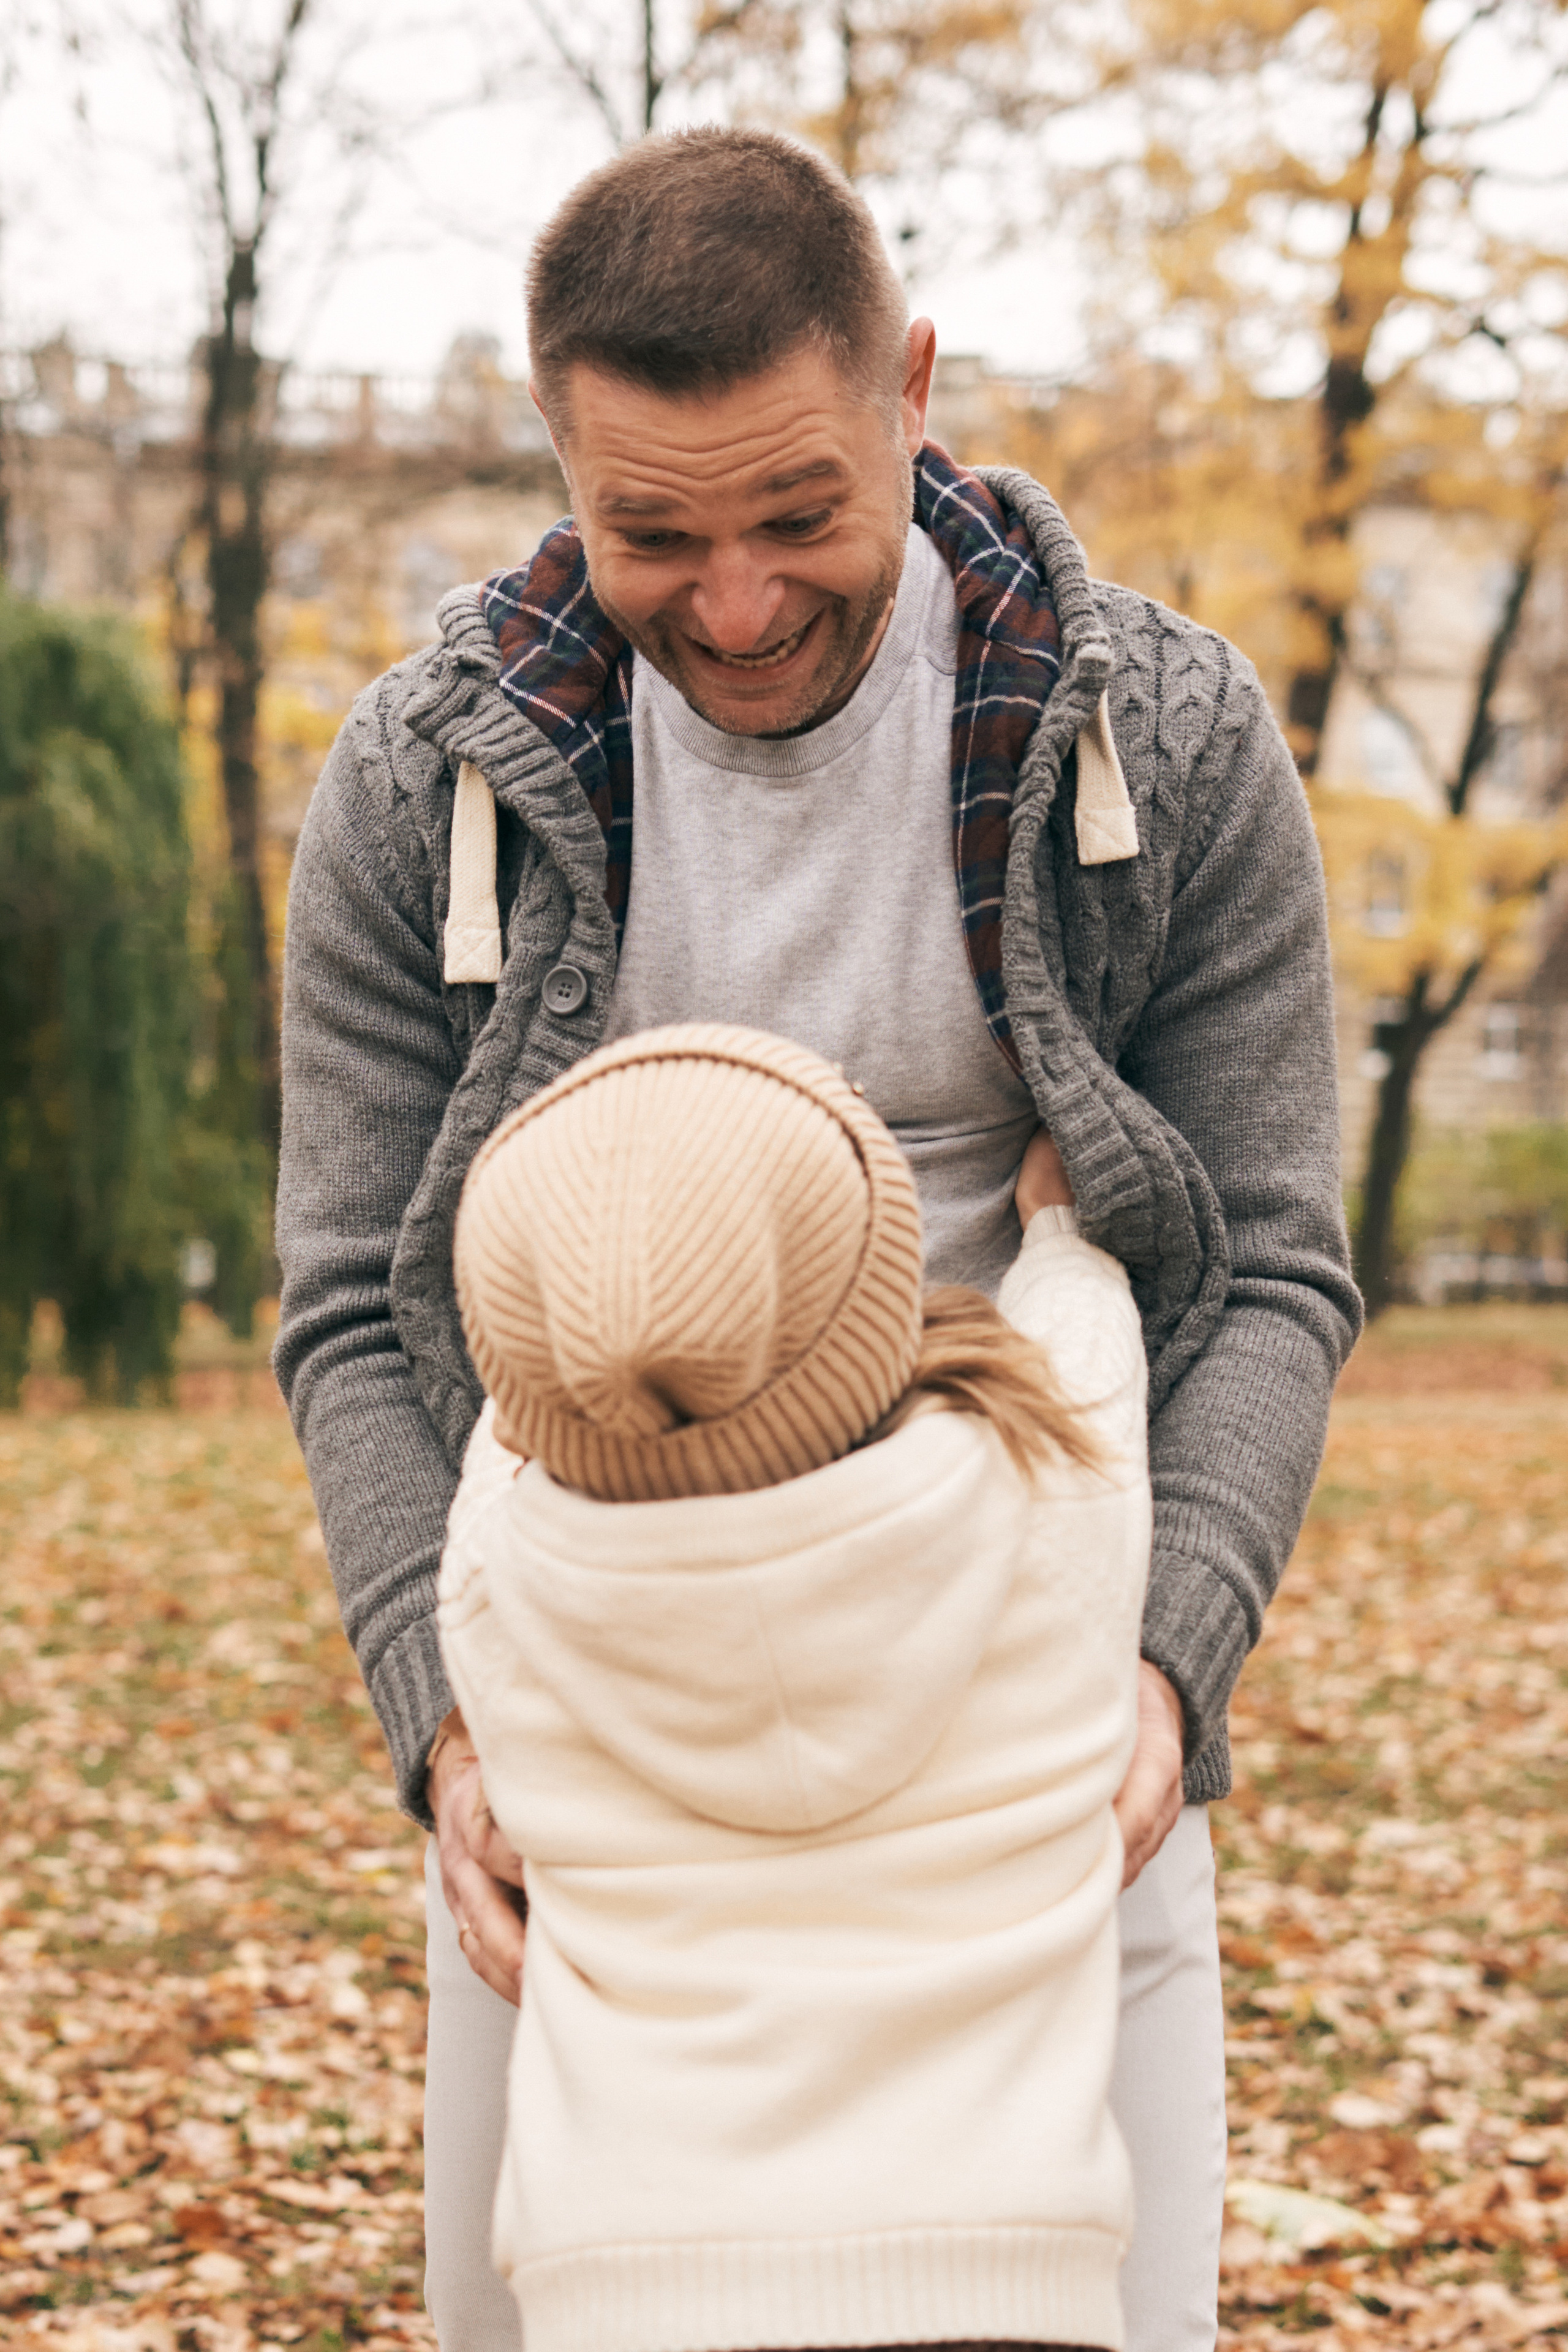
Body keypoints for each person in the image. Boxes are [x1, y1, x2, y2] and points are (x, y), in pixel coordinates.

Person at [273, 126, 1362, 2352]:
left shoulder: (1161, 737)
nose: (741, 601)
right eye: (651, 531)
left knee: (1092, 2314)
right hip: (599, 1722)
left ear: (911, 392)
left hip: (1039, 1698)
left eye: (800, 515)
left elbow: (1266, 1259)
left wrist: (1170, 1660)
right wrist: (448, 1725)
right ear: (560, 457)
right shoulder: (424, 787)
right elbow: (347, 1311)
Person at [437, 1021, 1150, 2352]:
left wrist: (591, 1275)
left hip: (629, 2293)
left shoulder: (502, 1596)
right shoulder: (1052, 1506)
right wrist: (1052, 1236)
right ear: (875, 1306)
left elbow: (507, 1429)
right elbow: (1087, 1350)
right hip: (1001, 2281)